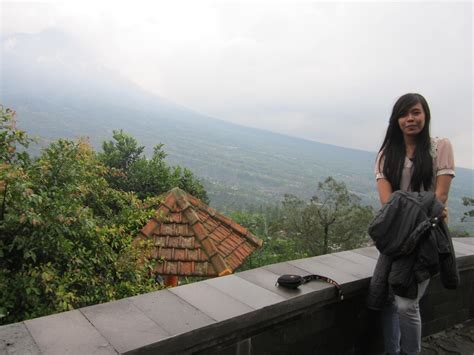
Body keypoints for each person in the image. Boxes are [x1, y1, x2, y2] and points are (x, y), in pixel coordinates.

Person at [373, 93, 455, 355]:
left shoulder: (440, 147)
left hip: (427, 235)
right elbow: (387, 200)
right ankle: (391, 350)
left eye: (416, 112)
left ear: (425, 115)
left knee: (407, 303)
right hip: (396, 235)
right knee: (388, 298)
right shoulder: (387, 154)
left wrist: (414, 217)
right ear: (396, 120)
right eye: (404, 114)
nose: (410, 119)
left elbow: (440, 196)